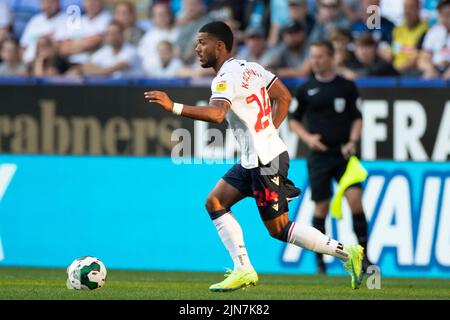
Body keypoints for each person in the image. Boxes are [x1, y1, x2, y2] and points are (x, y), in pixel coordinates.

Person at [144, 21, 365, 291]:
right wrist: (269, 131)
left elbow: (216, 114)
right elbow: (283, 97)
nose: (197, 48)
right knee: (215, 202)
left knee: (280, 229)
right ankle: (243, 268)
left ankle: (348, 252)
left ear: (220, 46)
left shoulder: (225, 78)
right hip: (256, 157)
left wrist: (173, 106)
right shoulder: (252, 68)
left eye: (202, 42)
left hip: (265, 161)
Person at [289, 41, 371, 275]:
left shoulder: (346, 86)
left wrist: (353, 141)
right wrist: (308, 139)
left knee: (355, 200)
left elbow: (357, 117)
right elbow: (294, 120)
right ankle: (320, 263)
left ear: (332, 57)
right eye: (313, 57)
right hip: (319, 156)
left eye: (320, 57)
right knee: (321, 208)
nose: (316, 61)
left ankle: (364, 256)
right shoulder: (306, 89)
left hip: (344, 153)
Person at [56, 0, 112, 65]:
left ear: (101, 2)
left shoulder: (107, 19)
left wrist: (74, 44)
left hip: (96, 64)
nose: (91, 3)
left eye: (95, 1)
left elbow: (95, 41)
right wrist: (84, 44)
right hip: (71, 63)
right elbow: (63, 48)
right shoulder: (78, 20)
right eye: (88, 1)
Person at [390, 0, 428, 75]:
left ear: (418, 9)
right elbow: (392, 52)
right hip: (394, 70)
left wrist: (396, 70)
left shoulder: (425, 30)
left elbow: (417, 58)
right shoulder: (397, 30)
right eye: (405, 8)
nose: (407, 11)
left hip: (412, 72)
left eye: (411, 8)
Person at [418, 0, 450, 79]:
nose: (446, 18)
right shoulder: (433, 32)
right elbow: (423, 57)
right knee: (427, 75)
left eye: (448, 14)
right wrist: (430, 68)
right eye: (443, 14)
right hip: (436, 68)